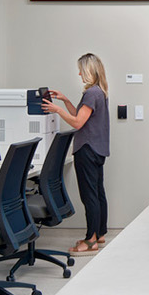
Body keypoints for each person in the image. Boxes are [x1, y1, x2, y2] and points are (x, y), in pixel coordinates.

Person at [43, 53, 111, 255]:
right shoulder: (99, 92)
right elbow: (79, 115)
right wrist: (64, 100)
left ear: (89, 70)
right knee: (98, 193)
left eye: (81, 69)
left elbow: (76, 123)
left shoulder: (91, 93)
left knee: (89, 195)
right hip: (98, 149)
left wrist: (56, 109)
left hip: (87, 150)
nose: (79, 73)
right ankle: (99, 234)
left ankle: (90, 241)